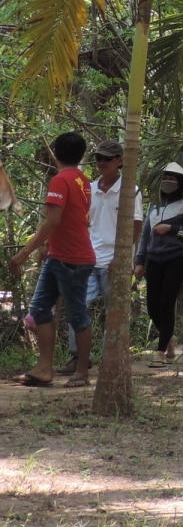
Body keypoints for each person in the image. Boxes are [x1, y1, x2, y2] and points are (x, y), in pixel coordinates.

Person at [11, 133, 95, 387]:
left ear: (55, 151)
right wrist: (48, 246)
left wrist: (23, 253)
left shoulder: (61, 180)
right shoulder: (83, 180)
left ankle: (81, 372)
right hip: (60, 256)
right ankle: (44, 369)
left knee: (76, 314)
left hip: (73, 259)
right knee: (39, 309)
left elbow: (53, 220)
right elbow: (73, 218)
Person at [58, 141, 141, 376]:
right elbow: (81, 222)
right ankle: (78, 357)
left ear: (120, 161)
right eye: (99, 158)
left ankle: (111, 358)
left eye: (108, 158)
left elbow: (136, 224)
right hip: (88, 258)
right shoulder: (89, 189)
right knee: (78, 305)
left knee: (113, 310)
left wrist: (122, 256)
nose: (102, 162)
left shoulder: (130, 190)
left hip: (116, 260)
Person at [134, 162, 183, 367]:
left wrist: (171, 228)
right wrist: (139, 261)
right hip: (153, 259)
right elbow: (145, 234)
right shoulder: (154, 205)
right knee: (152, 305)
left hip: (176, 258)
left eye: (173, 178)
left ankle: (160, 353)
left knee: (166, 304)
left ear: (181, 182)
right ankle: (169, 338)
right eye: (165, 178)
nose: (168, 182)